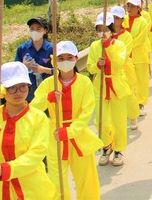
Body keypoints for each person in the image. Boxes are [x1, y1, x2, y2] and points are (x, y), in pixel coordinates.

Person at [31, 41, 103, 200]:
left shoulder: (84, 83)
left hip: (79, 136)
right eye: (61, 58)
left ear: (76, 58)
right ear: (54, 61)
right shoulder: (48, 84)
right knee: (57, 182)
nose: (65, 61)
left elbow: (86, 112)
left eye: (69, 57)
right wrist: (47, 98)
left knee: (87, 180)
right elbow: (33, 109)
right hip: (55, 137)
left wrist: (69, 132)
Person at [0, 61, 55, 199]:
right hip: (0, 188)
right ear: (2, 90)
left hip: (32, 187)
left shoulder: (38, 118)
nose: (18, 92)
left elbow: (36, 154)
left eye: (23, 87)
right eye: (11, 88)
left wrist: (6, 169)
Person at [86, 12, 131, 167]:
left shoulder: (119, 45)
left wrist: (108, 48)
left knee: (119, 122)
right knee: (101, 121)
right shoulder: (94, 46)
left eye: (105, 28)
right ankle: (106, 146)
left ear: (111, 29)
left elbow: (119, 63)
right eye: (99, 29)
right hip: (100, 87)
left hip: (117, 86)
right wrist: (98, 65)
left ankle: (118, 150)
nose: (102, 32)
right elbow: (90, 68)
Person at [110, 6, 140, 131]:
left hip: (125, 68)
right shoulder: (107, 34)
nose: (114, 20)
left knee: (129, 93)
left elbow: (124, 53)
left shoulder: (126, 36)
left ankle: (133, 116)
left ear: (122, 20)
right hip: (110, 70)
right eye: (113, 18)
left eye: (117, 18)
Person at [14, 17, 54, 101]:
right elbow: (15, 71)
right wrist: (23, 66)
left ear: (45, 31)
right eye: (32, 29)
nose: (35, 32)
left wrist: (43, 69)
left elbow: (60, 72)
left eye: (38, 29)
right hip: (28, 93)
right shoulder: (22, 49)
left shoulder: (52, 49)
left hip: (48, 92)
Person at [124, 0, 151, 117]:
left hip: (139, 55)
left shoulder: (142, 21)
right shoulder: (123, 19)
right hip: (125, 57)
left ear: (138, 8)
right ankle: (130, 104)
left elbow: (140, 39)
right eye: (128, 6)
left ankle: (140, 103)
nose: (129, 9)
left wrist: (126, 47)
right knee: (128, 81)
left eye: (132, 6)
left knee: (141, 81)